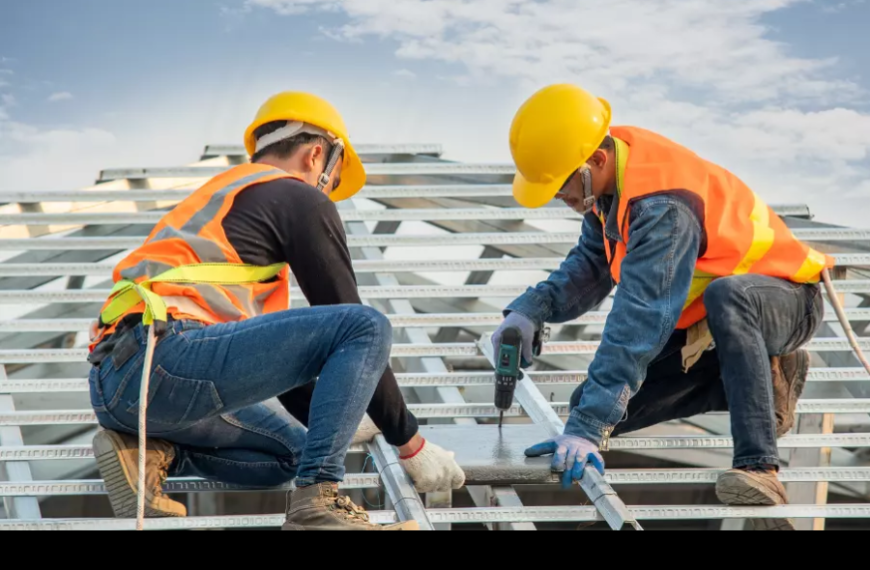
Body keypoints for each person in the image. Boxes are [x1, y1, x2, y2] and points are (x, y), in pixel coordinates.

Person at [86, 91, 463, 532]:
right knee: (367, 326)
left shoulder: (230, 202)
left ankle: (151, 451)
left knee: (290, 454)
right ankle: (317, 501)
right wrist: (410, 442)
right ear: (317, 154)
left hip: (120, 385)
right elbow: (349, 319)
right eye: (333, 179)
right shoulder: (295, 196)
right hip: (169, 359)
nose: (330, 193)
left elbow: (283, 370)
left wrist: (339, 413)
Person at [493, 84, 834, 531]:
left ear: (594, 160)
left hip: (783, 301)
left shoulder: (663, 206)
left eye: (559, 185)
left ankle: (759, 466)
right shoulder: (610, 186)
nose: (559, 197)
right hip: (712, 328)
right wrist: (531, 308)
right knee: (596, 405)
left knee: (724, 297)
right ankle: (752, 381)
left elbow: (641, 318)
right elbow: (590, 269)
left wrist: (589, 426)